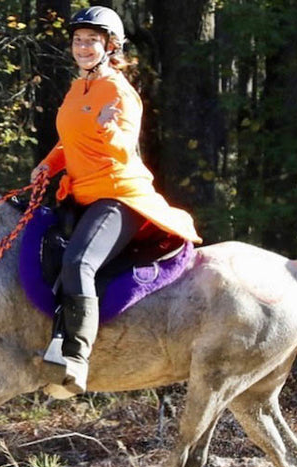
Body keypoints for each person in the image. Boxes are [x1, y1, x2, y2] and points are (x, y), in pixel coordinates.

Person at [32, 6, 202, 397]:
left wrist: (110, 132)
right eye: (78, 40)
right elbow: (72, 139)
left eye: (92, 40)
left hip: (118, 196)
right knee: (47, 252)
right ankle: (53, 342)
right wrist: (48, 163)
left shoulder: (120, 93)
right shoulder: (78, 90)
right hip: (80, 195)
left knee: (79, 262)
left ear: (110, 46)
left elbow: (125, 147)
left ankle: (75, 360)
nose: (83, 47)